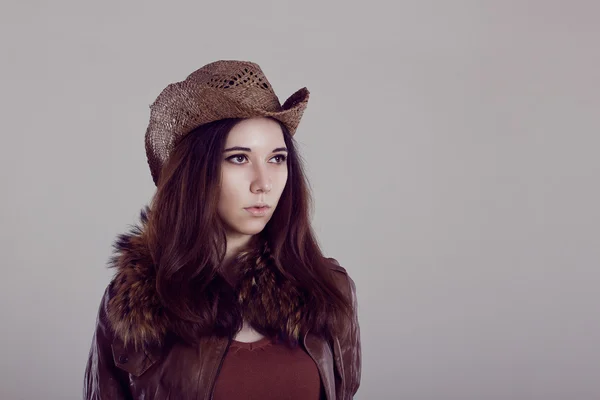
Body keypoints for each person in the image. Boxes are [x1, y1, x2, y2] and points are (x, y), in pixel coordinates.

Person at [83, 60, 361, 400]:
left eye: (277, 158)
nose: (263, 183)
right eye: (239, 158)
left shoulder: (330, 289)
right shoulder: (133, 303)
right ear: (197, 173)